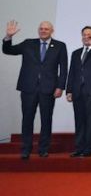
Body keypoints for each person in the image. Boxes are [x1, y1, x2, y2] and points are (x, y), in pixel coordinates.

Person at [3, 20, 68, 159]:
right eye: (41, 28)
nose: (43, 31)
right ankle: (26, 148)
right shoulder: (28, 43)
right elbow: (8, 50)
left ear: (52, 31)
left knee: (46, 119)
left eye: (46, 29)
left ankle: (43, 148)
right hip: (28, 88)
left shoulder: (60, 46)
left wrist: (60, 87)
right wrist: (8, 37)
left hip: (49, 88)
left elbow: (63, 69)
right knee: (27, 118)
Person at [65, 26, 91, 158]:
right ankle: (79, 148)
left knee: (90, 121)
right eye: (84, 34)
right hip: (78, 91)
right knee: (79, 120)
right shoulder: (76, 53)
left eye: (89, 35)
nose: (86, 37)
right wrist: (69, 90)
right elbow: (72, 72)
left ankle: (88, 149)